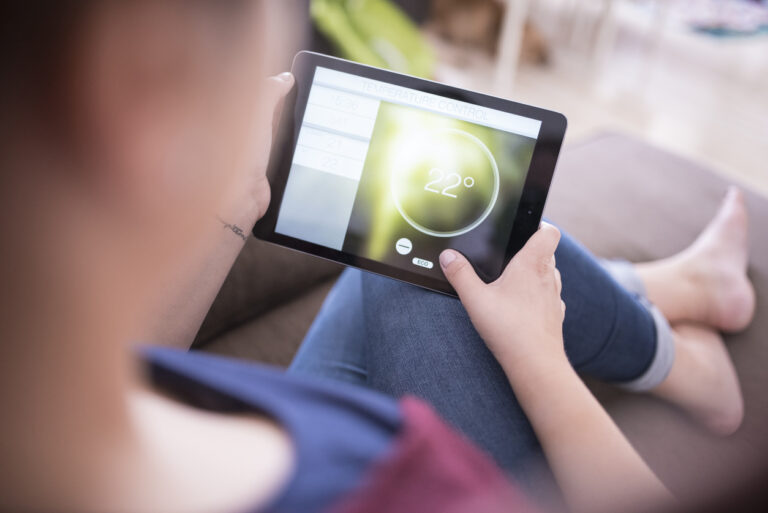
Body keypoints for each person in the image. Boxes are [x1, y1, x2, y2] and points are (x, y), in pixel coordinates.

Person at [0, 2, 755, 513]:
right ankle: (676, 359)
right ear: (139, 78)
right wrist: (538, 359)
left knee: (395, 249)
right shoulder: (415, 483)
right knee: (436, 255)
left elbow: (140, 368)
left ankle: (667, 289)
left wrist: (230, 208)